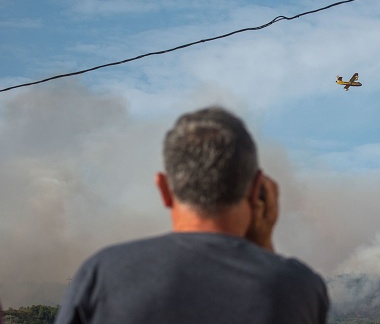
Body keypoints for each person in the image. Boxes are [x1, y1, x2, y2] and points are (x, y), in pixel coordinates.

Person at [55, 106, 329, 324]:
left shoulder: (103, 274)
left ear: (163, 188)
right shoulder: (301, 287)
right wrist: (263, 249)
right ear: (257, 189)